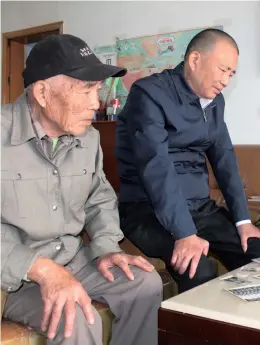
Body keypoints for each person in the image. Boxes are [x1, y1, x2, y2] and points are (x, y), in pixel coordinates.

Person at [1, 34, 163, 345]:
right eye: (85, 89)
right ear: (43, 92)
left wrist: (106, 247)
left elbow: (99, 199)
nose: (96, 102)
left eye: (98, 89)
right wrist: (42, 269)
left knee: (143, 284)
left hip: (70, 259)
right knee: (75, 315)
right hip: (12, 277)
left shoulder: (88, 138)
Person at [115, 28, 260, 293]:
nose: (226, 81)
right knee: (196, 266)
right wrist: (184, 234)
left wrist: (243, 223)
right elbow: (156, 167)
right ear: (195, 60)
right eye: (222, 70)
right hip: (148, 209)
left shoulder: (214, 102)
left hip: (200, 208)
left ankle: (249, 329)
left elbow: (225, 159)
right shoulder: (149, 94)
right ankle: (199, 334)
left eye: (231, 74)